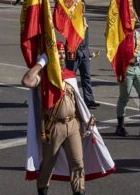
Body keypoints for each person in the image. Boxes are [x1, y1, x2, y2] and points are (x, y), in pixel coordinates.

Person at [23, 43, 89, 195]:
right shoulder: (43, 77)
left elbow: (76, 101)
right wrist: (41, 62)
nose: (62, 56)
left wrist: (84, 122)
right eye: (58, 53)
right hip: (53, 126)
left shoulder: (69, 75)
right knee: (48, 164)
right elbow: (26, 81)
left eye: (63, 53)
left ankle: (79, 191)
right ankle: (42, 189)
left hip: (72, 124)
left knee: (78, 163)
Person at [66, 25, 99, 109]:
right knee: (70, 77)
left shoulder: (85, 19)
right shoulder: (71, 18)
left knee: (87, 76)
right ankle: (69, 99)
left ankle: (89, 100)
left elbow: (86, 37)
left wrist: (87, 51)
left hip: (84, 51)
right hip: (73, 50)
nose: (83, 10)